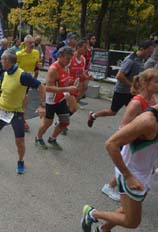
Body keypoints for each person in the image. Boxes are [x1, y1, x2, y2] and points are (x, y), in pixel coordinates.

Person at [81, 104, 158, 232]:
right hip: (132, 174)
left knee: (127, 209)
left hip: (145, 172)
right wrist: (128, 176)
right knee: (132, 222)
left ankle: (103, 229)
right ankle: (91, 213)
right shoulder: (148, 121)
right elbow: (111, 144)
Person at [101, 68, 158, 202]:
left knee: (133, 168)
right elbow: (123, 127)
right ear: (145, 83)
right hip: (131, 143)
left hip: (143, 144)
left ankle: (113, 188)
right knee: (127, 168)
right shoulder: (136, 102)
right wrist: (140, 133)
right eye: (156, 82)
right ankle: (111, 188)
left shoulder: (152, 99)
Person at [0, 49, 44, 174]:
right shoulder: (4, 73)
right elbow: (0, 89)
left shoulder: (23, 76)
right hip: (2, 110)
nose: (0, 61)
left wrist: (42, 105)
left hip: (16, 113)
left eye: (2, 59)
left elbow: (41, 87)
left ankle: (20, 160)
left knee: (19, 141)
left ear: (8, 61)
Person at [88, 40, 156, 127]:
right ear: (142, 49)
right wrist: (132, 85)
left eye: (151, 52)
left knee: (138, 110)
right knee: (112, 112)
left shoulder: (141, 60)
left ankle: (132, 129)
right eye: (149, 52)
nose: (150, 54)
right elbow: (119, 76)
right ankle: (93, 115)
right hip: (121, 91)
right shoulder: (130, 60)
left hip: (132, 92)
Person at [35, 46, 77, 150]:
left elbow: (63, 82)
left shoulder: (65, 67)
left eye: (70, 59)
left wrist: (71, 83)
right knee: (47, 123)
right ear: (60, 56)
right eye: (67, 58)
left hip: (61, 99)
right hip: (51, 101)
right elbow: (48, 88)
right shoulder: (53, 69)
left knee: (65, 122)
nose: (69, 61)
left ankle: (52, 138)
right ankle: (38, 138)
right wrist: (67, 88)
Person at [17, 35, 41, 131]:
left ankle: (21, 118)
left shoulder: (36, 52)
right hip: (19, 79)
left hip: (28, 80)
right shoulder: (19, 54)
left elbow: (36, 66)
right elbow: (14, 68)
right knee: (22, 99)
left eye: (33, 42)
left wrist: (38, 66)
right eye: (30, 43)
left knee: (24, 99)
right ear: (25, 43)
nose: (32, 44)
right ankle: (19, 118)